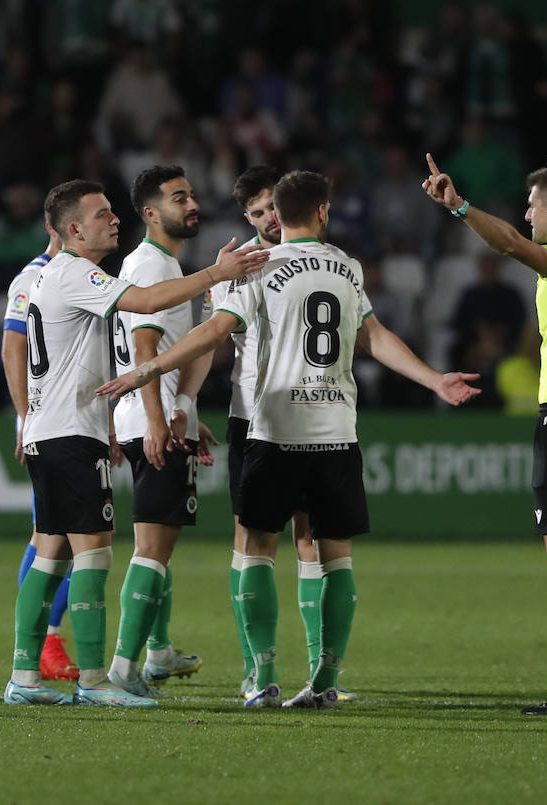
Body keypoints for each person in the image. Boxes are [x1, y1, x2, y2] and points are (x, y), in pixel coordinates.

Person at [98, 170, 479, 708]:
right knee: (332, 554)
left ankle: (263, 675)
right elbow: (376, 336)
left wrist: (149, 373)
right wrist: (434, 378)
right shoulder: (347, 265)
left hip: (270, 428)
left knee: (256, 548)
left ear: (282, 210)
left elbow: (210, 334)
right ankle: (324, 678)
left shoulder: (254, 268)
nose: (266, 220)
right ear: (323, 211)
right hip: (335, 430)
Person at [5, 179, 267, 708]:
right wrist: (217, 275)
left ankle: (23, 677)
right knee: (94, 555)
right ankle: (98, 679)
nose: (114, 220)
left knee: (50, 553)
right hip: (70, 431)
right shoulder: (79, 273)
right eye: (102, 215)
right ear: (73, 229)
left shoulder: (52, 276)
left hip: (52, 428)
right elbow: (145, 306)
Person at [421, 153, 547, 715]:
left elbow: (511, 244)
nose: (527, 212)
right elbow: (527, 237)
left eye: (535, 203)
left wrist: (459, 206)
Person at [218, 165, 353, 701]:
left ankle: (323, 671)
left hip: (305, 415)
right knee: (253, 540)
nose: (269, 218)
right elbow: (214, 338)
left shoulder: (323, 263)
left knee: (311, 538)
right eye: (256, 213)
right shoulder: (239, 269)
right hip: (251, 417)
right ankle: (258, 668)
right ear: (248, 218)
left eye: (273, 207)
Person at [106, 165, 216, 697]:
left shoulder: (160, 263)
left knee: (159, 544)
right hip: (153, 420)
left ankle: (157, 652)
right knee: (151, 548)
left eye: (191, 195)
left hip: (159, 414)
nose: (191, 204)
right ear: (151, 213)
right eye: (179, 198)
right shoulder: (149, 264)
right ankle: (125, 672)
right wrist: (159, 419)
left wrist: (190, 414)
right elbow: (144, 350)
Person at [0, 232, 80, 682]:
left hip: (71, 421)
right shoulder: (31, 277)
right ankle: (41, 642)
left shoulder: (78, 275)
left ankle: (42, 642)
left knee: (62, 536)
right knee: (53, 535)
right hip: (47, 423)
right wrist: (25, 416)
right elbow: (13, 348)